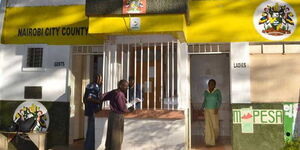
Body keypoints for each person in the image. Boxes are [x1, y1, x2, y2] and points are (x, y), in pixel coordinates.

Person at [101, 79, 131, 150]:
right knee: (117, 137)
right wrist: (129, 110)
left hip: (111, 115)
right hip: (118, 117)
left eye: (127, 86)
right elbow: (122, 108)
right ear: (120, 85)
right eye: (125, 86)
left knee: (110, 135)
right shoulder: (120, 94)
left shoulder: (114, 92)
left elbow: (102, 96)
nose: (126, 88)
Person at [83, 74, 103, 150]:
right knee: (91, 130)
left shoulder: (93, 86)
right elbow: (89, 98)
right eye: (101, 79)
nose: (102, 81)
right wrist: (99, 101)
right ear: (97, 79)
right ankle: (88, 147)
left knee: (91, 130)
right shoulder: (93, 86)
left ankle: (89, 146)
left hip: (92, 110)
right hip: (93, 110)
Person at [201, 79, 222, 146]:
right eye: (209, 83)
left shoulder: (217, 91)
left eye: (212, 83)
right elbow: (205, 100)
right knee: (208, 126)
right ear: (208, 84)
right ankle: (209, 142)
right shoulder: (206, 92)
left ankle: (215, 137)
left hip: (214, 110)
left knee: (215, 126)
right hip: (207, 110)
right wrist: (202, 108)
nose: (211, 85)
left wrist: (217, 108)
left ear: (215, 85)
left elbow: (220, 100)